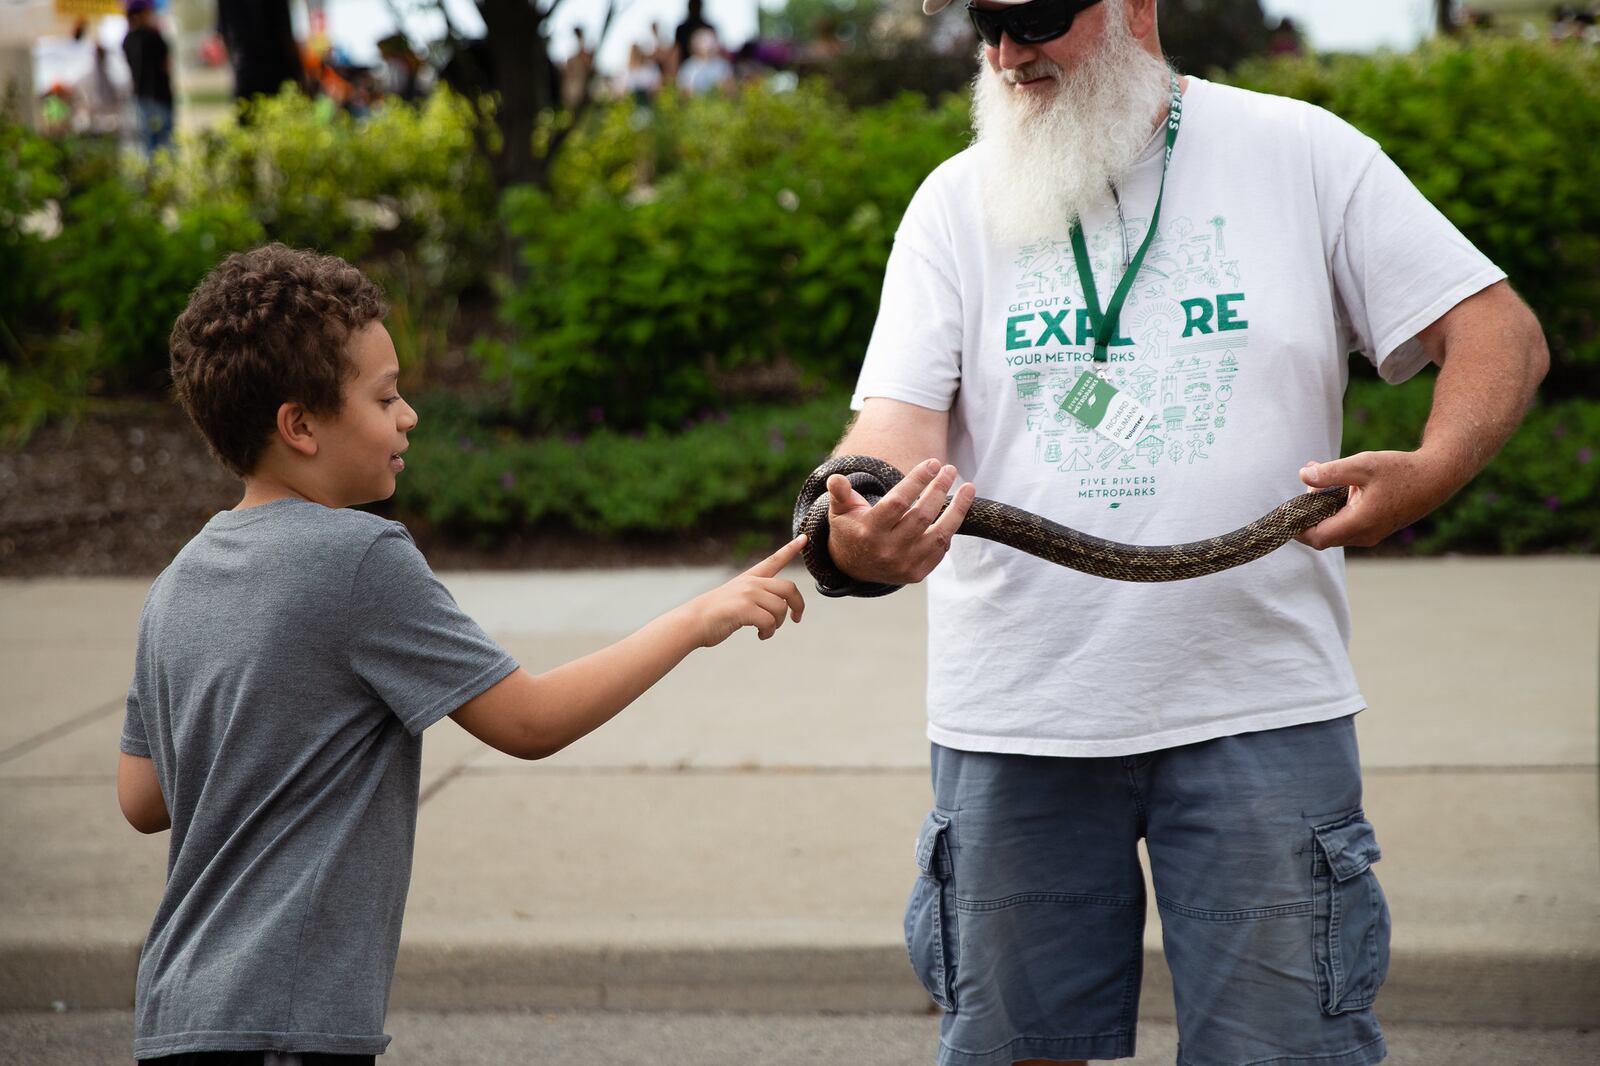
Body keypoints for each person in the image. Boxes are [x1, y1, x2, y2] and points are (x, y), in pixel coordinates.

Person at [817, 1, 1548, 1064]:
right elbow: (887, 432)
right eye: (987, 21)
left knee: (1284, 1049)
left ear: (1136, 9)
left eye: (1034, 18)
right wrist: (853, 528)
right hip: (1017, 722)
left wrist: (1429, 472)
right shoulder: (952, 201)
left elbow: (1499, 334)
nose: (1008, 52)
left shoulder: (1299, 153)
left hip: (1259, 706)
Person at [117, 243, 807, 1064]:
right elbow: (530, 720)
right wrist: (696, 618)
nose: (408, 415)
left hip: (176, 1014)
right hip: (288, 1023)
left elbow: (143, 797)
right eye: (386, 397)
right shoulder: (358, 558)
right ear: (299, 426)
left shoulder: (179, 579)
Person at [121, 0, 173, 154]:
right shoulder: (154, 36)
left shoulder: (127, 40)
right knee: (164, 143)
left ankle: (150, 176)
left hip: (140, 98)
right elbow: (166, 65)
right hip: (160, 97)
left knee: (147, 145)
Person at [677, 27, 732, 95]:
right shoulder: (688, 66)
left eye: (710, 41)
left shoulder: (722, 65)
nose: (708, 45)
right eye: (704, 41)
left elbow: (729, 90)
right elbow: (684, 91)